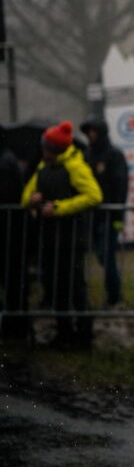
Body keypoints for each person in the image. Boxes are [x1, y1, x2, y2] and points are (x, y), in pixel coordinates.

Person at [21, 121, 102, 349]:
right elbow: (25, 196)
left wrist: (59, 208)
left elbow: (94, 196)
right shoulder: (42, 167)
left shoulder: (75, 167)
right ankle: (64, 333)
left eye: (46, 147)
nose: (42, 151)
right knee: (55, 288)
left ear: (54, 149)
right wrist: (31, 201)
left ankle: (84, 335)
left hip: (71, 238)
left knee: (76, 288)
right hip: (48, 239)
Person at [80, 116, 127, 308]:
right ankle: (114, 293)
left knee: (107, 256)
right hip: (93, 215)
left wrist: (118, 215)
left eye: (94, 131)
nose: (91, 135)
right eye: (88, 132)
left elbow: (121, 185)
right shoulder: (87, 154)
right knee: (101, 254)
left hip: (110, 214)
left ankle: (115, 296)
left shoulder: (114, 155)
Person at [0, 123, 28, 338]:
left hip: (10, 230)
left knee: (12, 279)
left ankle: (16, 324)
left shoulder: (5, 161)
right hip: (10, 229)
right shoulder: (8, 159)